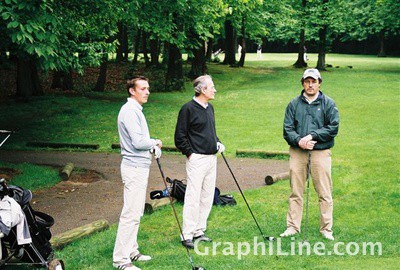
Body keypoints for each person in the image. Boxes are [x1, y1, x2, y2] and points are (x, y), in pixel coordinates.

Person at [281, 69, 339, 241]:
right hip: (298, 152)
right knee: (295, 191)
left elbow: (333, 128)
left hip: (320, 152)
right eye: (307, 81)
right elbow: (287, 129)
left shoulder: (328, 103)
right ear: (303, 83)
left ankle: (326, 229)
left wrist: (312, 136)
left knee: (324, 192)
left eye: (314, 81)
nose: (310, 85)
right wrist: (299, 141)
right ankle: (292, 227)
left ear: (319, 82)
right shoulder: (293, 104)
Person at [113, 76, 162, 270]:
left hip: (140, 166)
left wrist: (151, 147)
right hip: (133, 168)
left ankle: (132, 250)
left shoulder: (135, 110)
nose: (147, 92)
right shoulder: (129, 111)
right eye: (143, 88)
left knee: (137, 212)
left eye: (148, 88)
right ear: (132, 91)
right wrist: (155, 142)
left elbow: (140, 140)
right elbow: (138, 142)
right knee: (130, 213)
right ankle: (120, 260)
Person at [174, 75, 225, 249]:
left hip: (212, 158)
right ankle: (186, 234)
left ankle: (198, 231)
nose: (214, 90)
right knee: (193, 197)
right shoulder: (187, 109)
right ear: (202, 90)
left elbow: (210, 131)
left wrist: (217, 142)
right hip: (197, 159)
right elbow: (179, 137)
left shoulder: (209, 108)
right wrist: (190, 153)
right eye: (212, 87)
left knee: (207, 196)